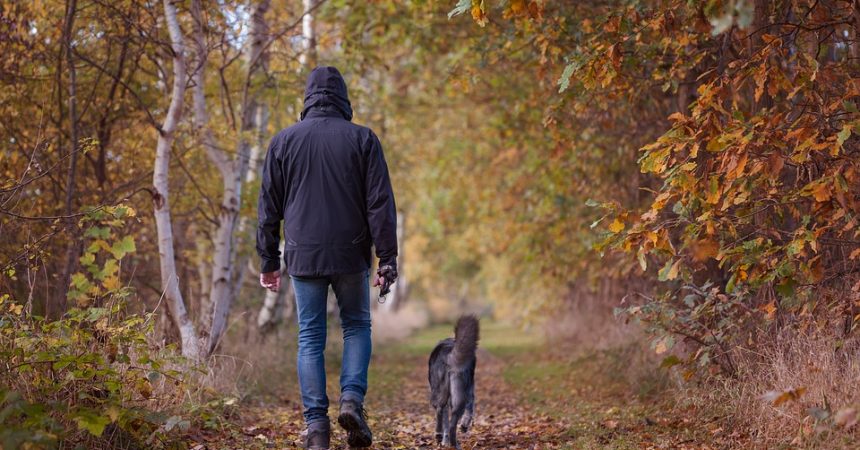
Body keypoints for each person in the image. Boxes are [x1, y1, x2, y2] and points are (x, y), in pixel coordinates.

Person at [256, 66, 398, 450]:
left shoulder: (283, 142)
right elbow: (380, 204)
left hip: (303, 256)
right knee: (356, 326)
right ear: (343, 97)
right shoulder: (363, 139)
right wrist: (387, 258)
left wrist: (269, 259)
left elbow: (268, 207)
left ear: (307, 97)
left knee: (310, 338)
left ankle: (317, 427)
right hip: (351, 253)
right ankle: (351, 400)